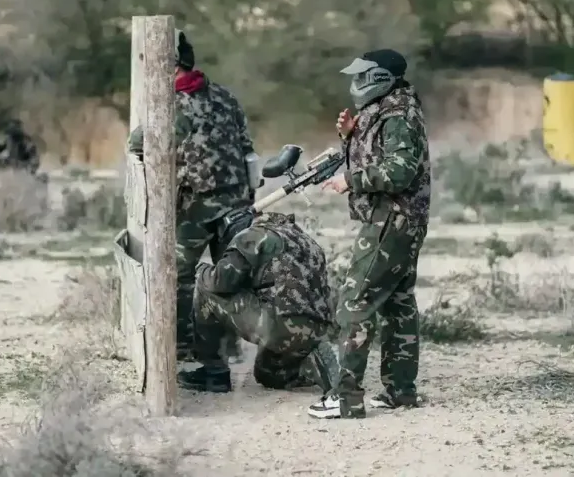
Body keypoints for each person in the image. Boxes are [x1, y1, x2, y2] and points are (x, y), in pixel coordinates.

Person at [306, 49, 430, 420]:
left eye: (363, 76)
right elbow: (378, 156)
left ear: (380, 78)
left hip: (391, 219)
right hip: (400, 219)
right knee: (397, 303)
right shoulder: (388, 108)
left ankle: (345, 398)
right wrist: (349, 136)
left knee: (354, 301)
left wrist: (350, 180)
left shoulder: (397, 115)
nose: (356, 83)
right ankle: (400, 392)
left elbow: (399, 172)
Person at [128, 28, 258, 361]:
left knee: (179, 276)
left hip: (194, 205)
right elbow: (247, 148)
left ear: (171, 66)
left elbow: (137, 142)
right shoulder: (225, 96)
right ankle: (228, 348)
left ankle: (182, 348)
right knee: (230, 276)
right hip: (237, 201)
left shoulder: (172, 104)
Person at [178, 208, 338, 393]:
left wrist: (200, 270)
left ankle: (214, 373)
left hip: (281, 328)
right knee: (267, 375)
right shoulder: (305, 241)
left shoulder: (252, 235)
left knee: (204, 284)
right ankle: (310, 362)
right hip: (317, 330)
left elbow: (219, 281)